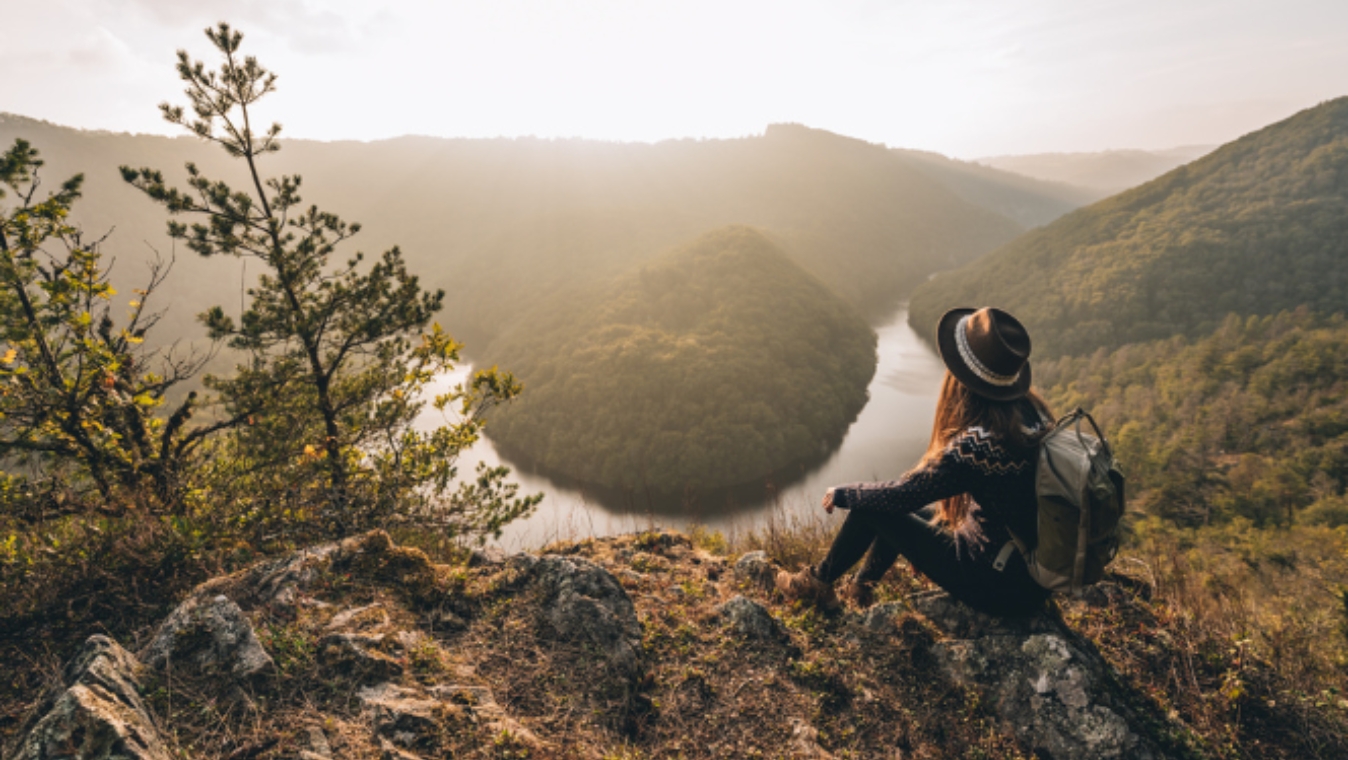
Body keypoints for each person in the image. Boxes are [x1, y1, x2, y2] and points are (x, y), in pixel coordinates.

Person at [776, 306, 1054, 617]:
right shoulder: (1035, 417)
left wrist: (844, 492)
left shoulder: (979, 446)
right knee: (891, 506)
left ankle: (816, 583)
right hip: (1024, 578)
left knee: (871, 505)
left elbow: (904, 494)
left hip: (992, 584)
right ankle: (861, 588)